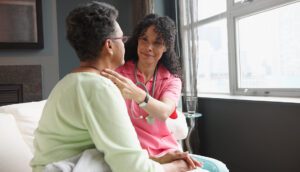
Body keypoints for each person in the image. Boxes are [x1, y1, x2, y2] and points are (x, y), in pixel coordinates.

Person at [30, 2, 197, 172]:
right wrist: (177, 166)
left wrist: (157, 160)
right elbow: (134, 169)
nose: (126, 44)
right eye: (122, 39)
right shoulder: (100, 88)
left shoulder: (65, 83)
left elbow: (116, 155)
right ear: (109, 45)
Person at [101, 14, 229, 172]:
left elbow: (164, 112)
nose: (149, 47)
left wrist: (136, 93)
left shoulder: (172, 79)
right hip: (133, 152)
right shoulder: (119, 72)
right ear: (137, 40)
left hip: (166, 151)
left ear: (167, 46)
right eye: (144, 39)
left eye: (157, 43)